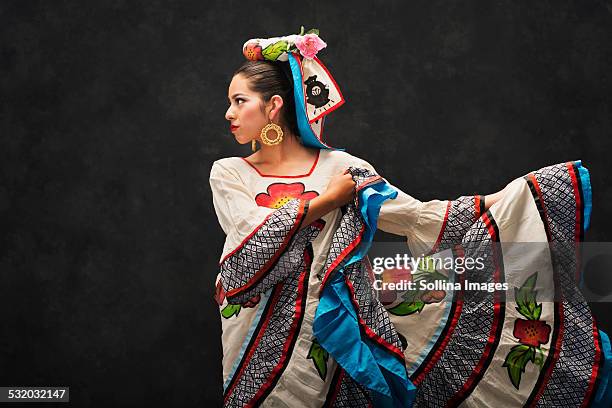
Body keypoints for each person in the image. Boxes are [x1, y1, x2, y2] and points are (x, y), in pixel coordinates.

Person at [209, 28, 612, 408]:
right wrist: (326, 201)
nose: (229, 113)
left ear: (274, 106)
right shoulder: (229, 171)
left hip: (330, 327)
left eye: (239, 100)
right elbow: (249, 244)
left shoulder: (343, 167)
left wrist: (500, 201)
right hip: (251, 326)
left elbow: (415, 217)